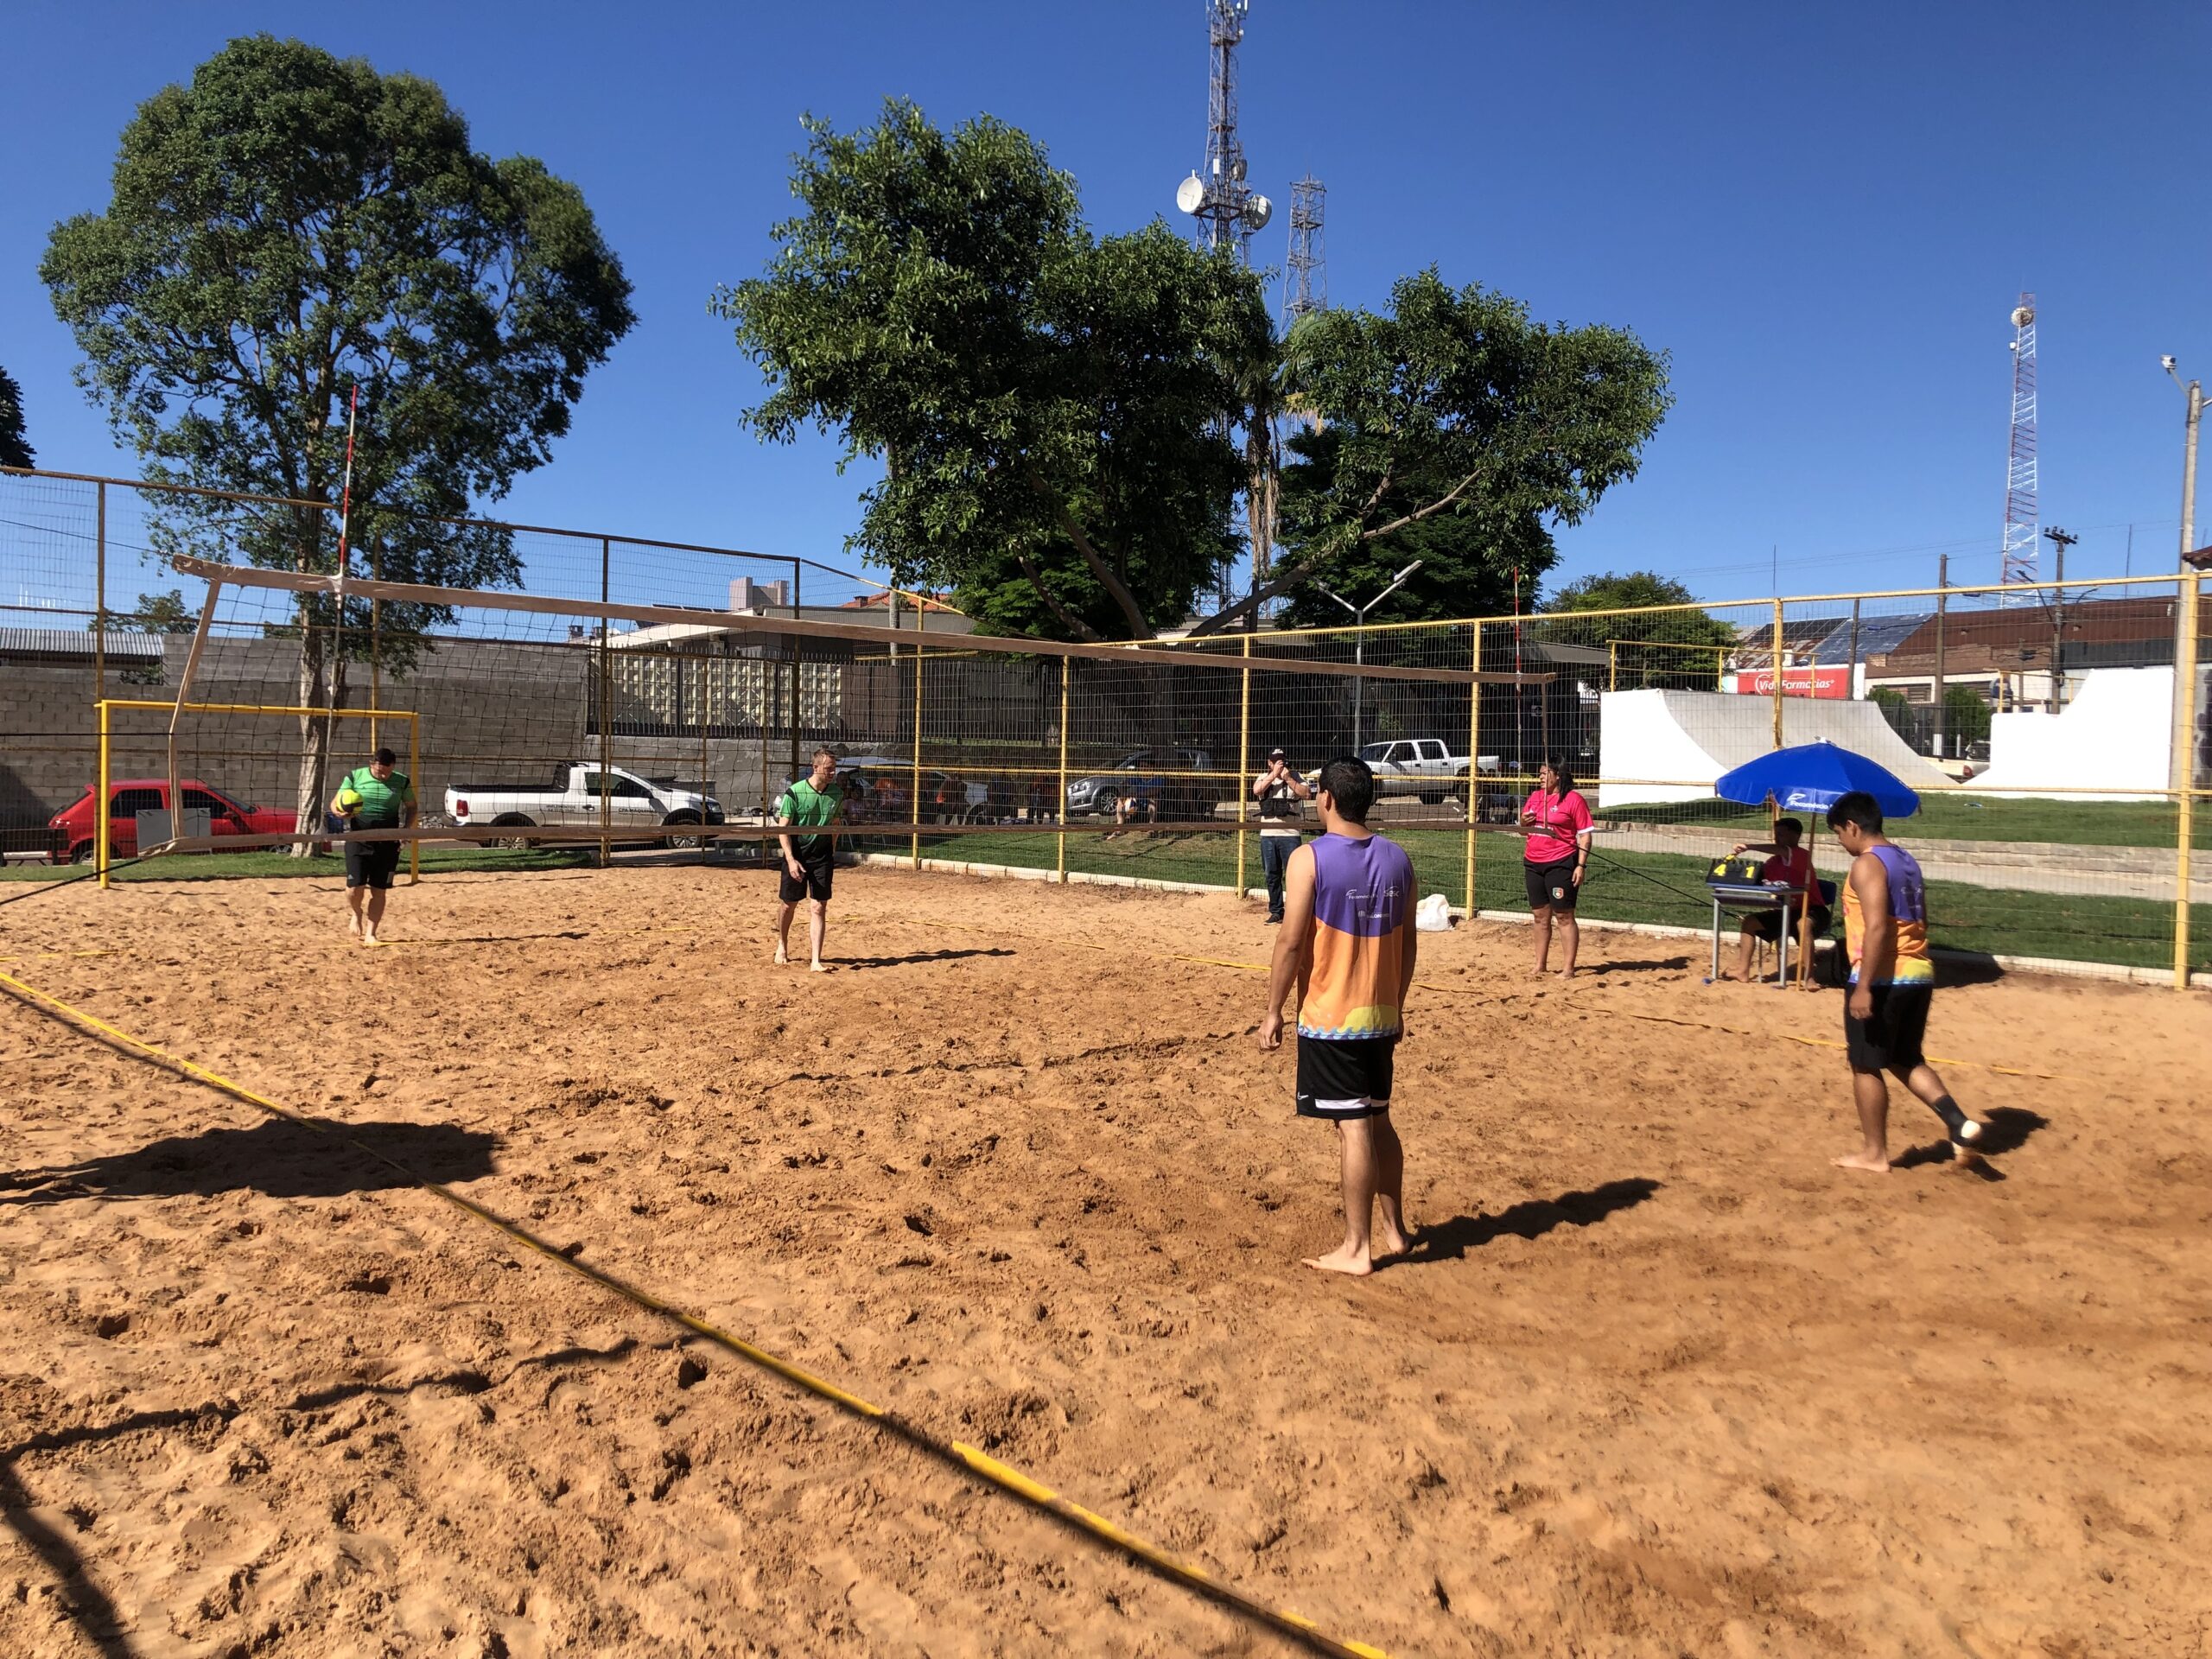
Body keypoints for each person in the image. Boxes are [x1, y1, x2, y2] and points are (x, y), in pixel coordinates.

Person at [1259, 754, 1417, 1276]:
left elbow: (1289, 941)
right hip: (1380, 1011)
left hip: (1332, 1016)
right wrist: (1397, 1004)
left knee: (1353, 1127)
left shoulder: (1310, 859)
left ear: (1324, 798)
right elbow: (1409, 946)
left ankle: (1356, 1248)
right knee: (1378, 1120)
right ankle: (1395, 1230)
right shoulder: (1399, 858)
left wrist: (1273, 1010)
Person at [1825, 791, 1985, 1172]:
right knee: (1905, 1058)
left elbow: (1877, 926)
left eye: (1838, 833)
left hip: (1882, 977)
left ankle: (1874, 1153)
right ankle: (1959, 1123)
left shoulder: (1867, 864)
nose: (1839, 841)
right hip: (1918, 973)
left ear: (1853, 826)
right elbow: (1920, 917)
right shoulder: (1905, 859)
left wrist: (1863, 986)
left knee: (1865, 1065)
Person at [1724, 817, 1832, 983]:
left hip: (1813, 910)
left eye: (1781, 834)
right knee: (1750, 922)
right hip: (1788, 910)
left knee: (1803, 924)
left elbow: (1782, 850)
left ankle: (1809, 977)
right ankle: (1742, 971)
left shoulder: (1800, 854)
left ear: (1796, 836)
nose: (1777, 838)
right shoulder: (1773, 862)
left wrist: (1748, 847)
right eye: (1776, 834)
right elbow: (1759, 877)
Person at [329, 747, 416, 945]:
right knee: (354, 888)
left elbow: (412, 807)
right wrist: (338, 812)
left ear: (393, 766)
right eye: (378, 771)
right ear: (372, 765)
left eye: (386, 771)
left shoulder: (401, 781)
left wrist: (406, 830)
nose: (382, 775)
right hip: (358, 838)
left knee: (379, 890)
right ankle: (356, 912)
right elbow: (335, 802)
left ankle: (371, 934)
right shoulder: (354, 776)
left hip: (387, 841)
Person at [1520, 757, 1593, 978]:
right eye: (1540, 773)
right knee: (1540, 916)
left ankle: (1568, 969)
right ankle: (1540, 964)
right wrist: (1523, 822)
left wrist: (1580, 865)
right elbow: (1523, 830)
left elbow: (1585, 835)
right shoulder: (1534, 797)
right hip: (1533, 862)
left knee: (1564, 916)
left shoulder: (1573, 800)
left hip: (1561, 862)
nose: (1540, 777)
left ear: (1557, 775)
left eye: (1544, 773)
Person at [774, 747, 844, 972]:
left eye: (834, 768)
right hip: (797, 854)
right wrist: (791, 860)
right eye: (829, 769)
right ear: (815, 768)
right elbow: (782, 829)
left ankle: (816, 960)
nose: (833, 772)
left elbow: (835, 825)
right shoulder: (795, 793)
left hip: (822, 855)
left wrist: (831, 852)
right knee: (788, 905)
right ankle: (782, 944)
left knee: (819, 906)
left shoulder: (836, 793)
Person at [1251, 747, 1313, 924]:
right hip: (1268, 835)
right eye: (1276, 761)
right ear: (1269, 763)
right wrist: (1274, 775)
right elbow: (1257, 790)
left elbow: (1307, 793)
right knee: (1272, 874)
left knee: (1294, 875)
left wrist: (1287, 778)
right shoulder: (1264, 778)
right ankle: (1277, 911)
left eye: (1282, 761)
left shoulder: (1295, 776)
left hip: (1290, 835)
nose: (1280, 764)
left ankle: (1295, 912)